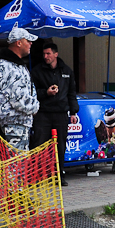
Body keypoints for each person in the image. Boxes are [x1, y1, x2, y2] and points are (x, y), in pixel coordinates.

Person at [30, 42, 79, 186]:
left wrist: (73, 112)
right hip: (42, 113)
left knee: (60, 146)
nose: (45, 57)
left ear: (56, 54)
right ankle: (36, 177)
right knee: (39, 144)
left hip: (61, 113)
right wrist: (46, 92)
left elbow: (71, 93)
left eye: (48, 54)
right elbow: (32, 93)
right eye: (44, 54)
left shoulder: (67, 71)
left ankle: (59, 175)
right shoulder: (37, 71)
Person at [0, 28, 40, 150]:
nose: (31, 43)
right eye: (28, 40)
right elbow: (20, 100)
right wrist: (36, 106)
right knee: (17, 166)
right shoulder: (9, 67)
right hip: (14, 125)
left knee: (16, 165)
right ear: (19, 43)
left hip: (15, 123)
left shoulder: (13, 64)